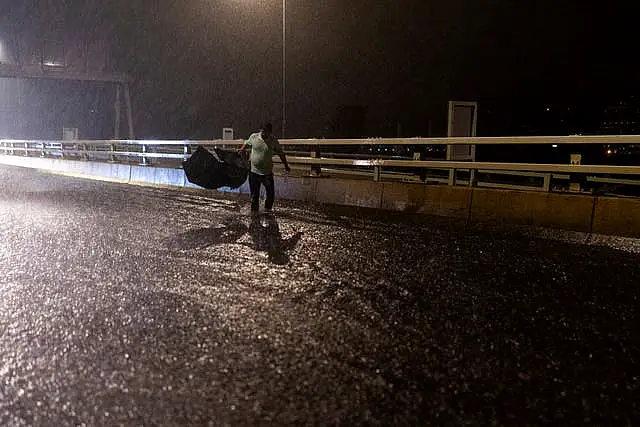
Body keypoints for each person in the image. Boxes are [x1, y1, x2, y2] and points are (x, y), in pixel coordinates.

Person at [240, 122, 291, 213]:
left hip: (267, 173)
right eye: (263, 131)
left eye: (266, 132)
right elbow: (246, 144)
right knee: (254, 195)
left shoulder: (273, 140)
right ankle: (254, 213)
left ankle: (267, 210)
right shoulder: (254, 137)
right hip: (254, 172)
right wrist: (242, 151)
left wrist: (286, 165)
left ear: (270, 132)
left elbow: (281, 153)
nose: (264, 134)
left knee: (270, 194)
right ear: (260, 130)